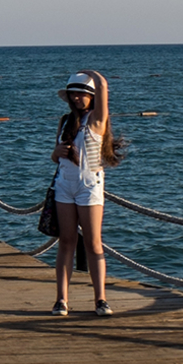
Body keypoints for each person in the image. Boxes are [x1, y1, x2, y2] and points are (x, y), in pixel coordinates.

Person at [50, 71, 126, 317]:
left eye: (82, 93)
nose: (77, 98)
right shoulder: (64, 121)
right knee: (66, 242)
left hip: (89, 186)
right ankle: (62, 300)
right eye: (73, 94)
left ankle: (100, 299)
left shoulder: (97, 120)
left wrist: (90, 72)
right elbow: (54, 156)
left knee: (93, 243)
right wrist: (57, 152)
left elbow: (103, 86)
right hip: (65, 184)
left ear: (91, 97)